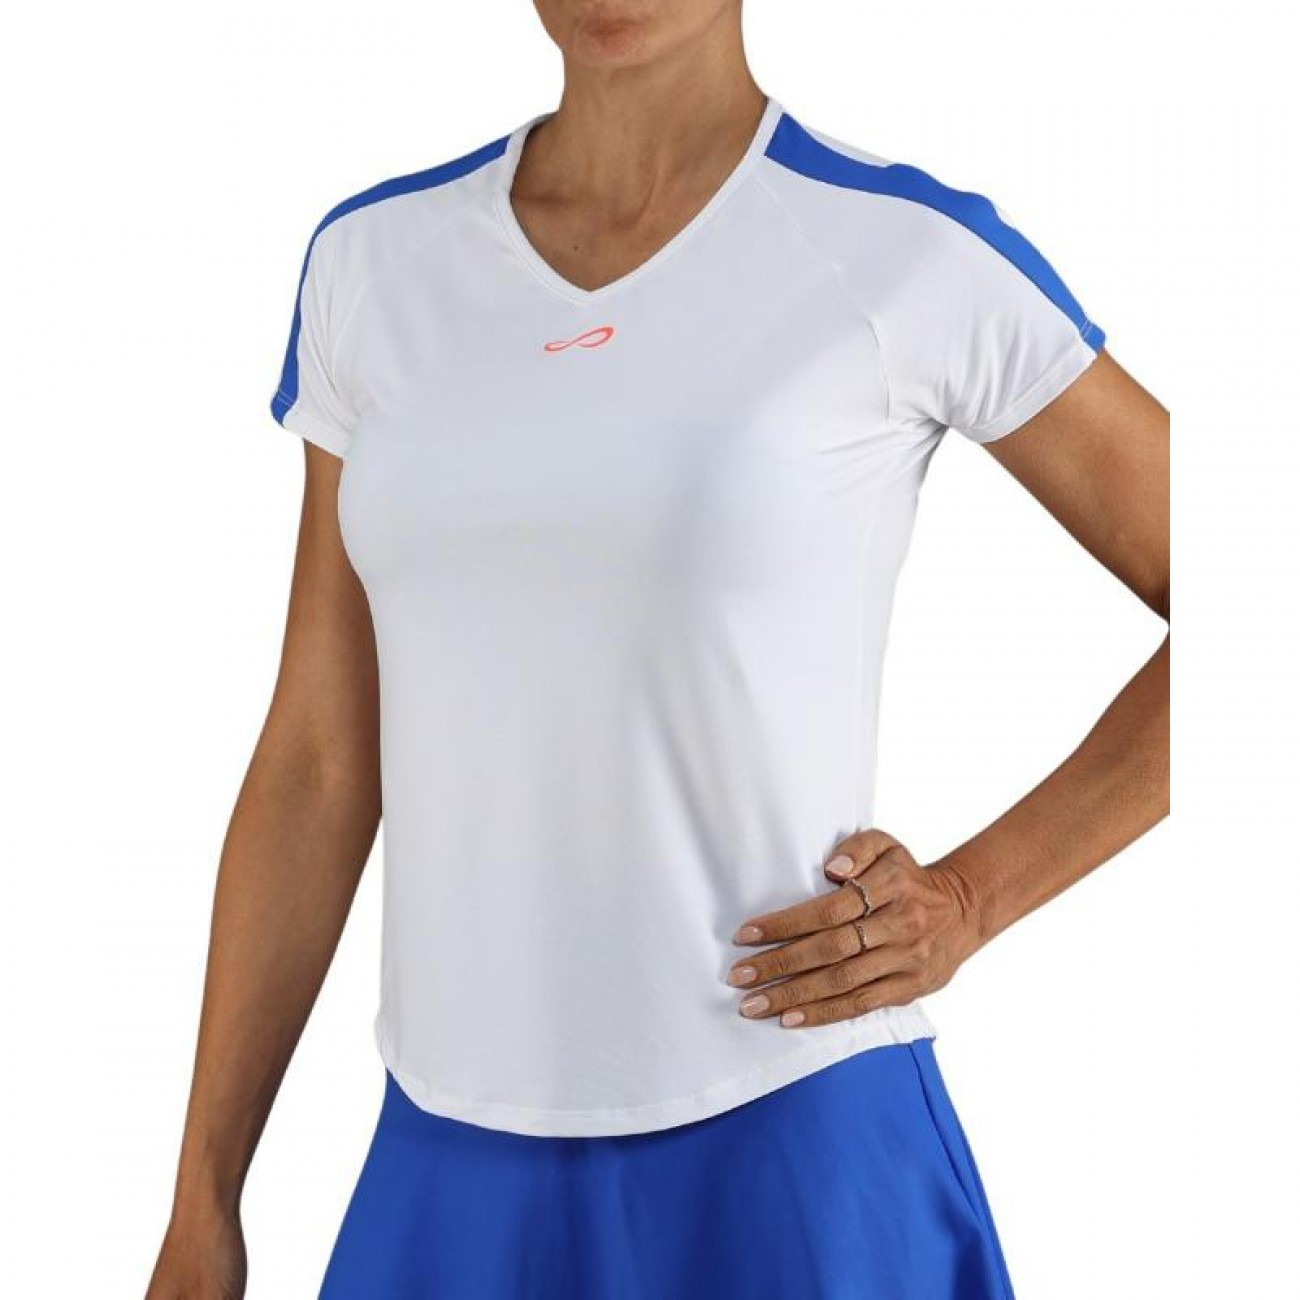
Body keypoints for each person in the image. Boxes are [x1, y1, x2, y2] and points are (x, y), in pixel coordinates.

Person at [146, 2, 1170, 1297]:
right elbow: (317, 759)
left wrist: (971, 900)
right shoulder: (375, 263)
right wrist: (203, 1196)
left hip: (791, 1144)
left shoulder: (901, 251)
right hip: (447, 1160)